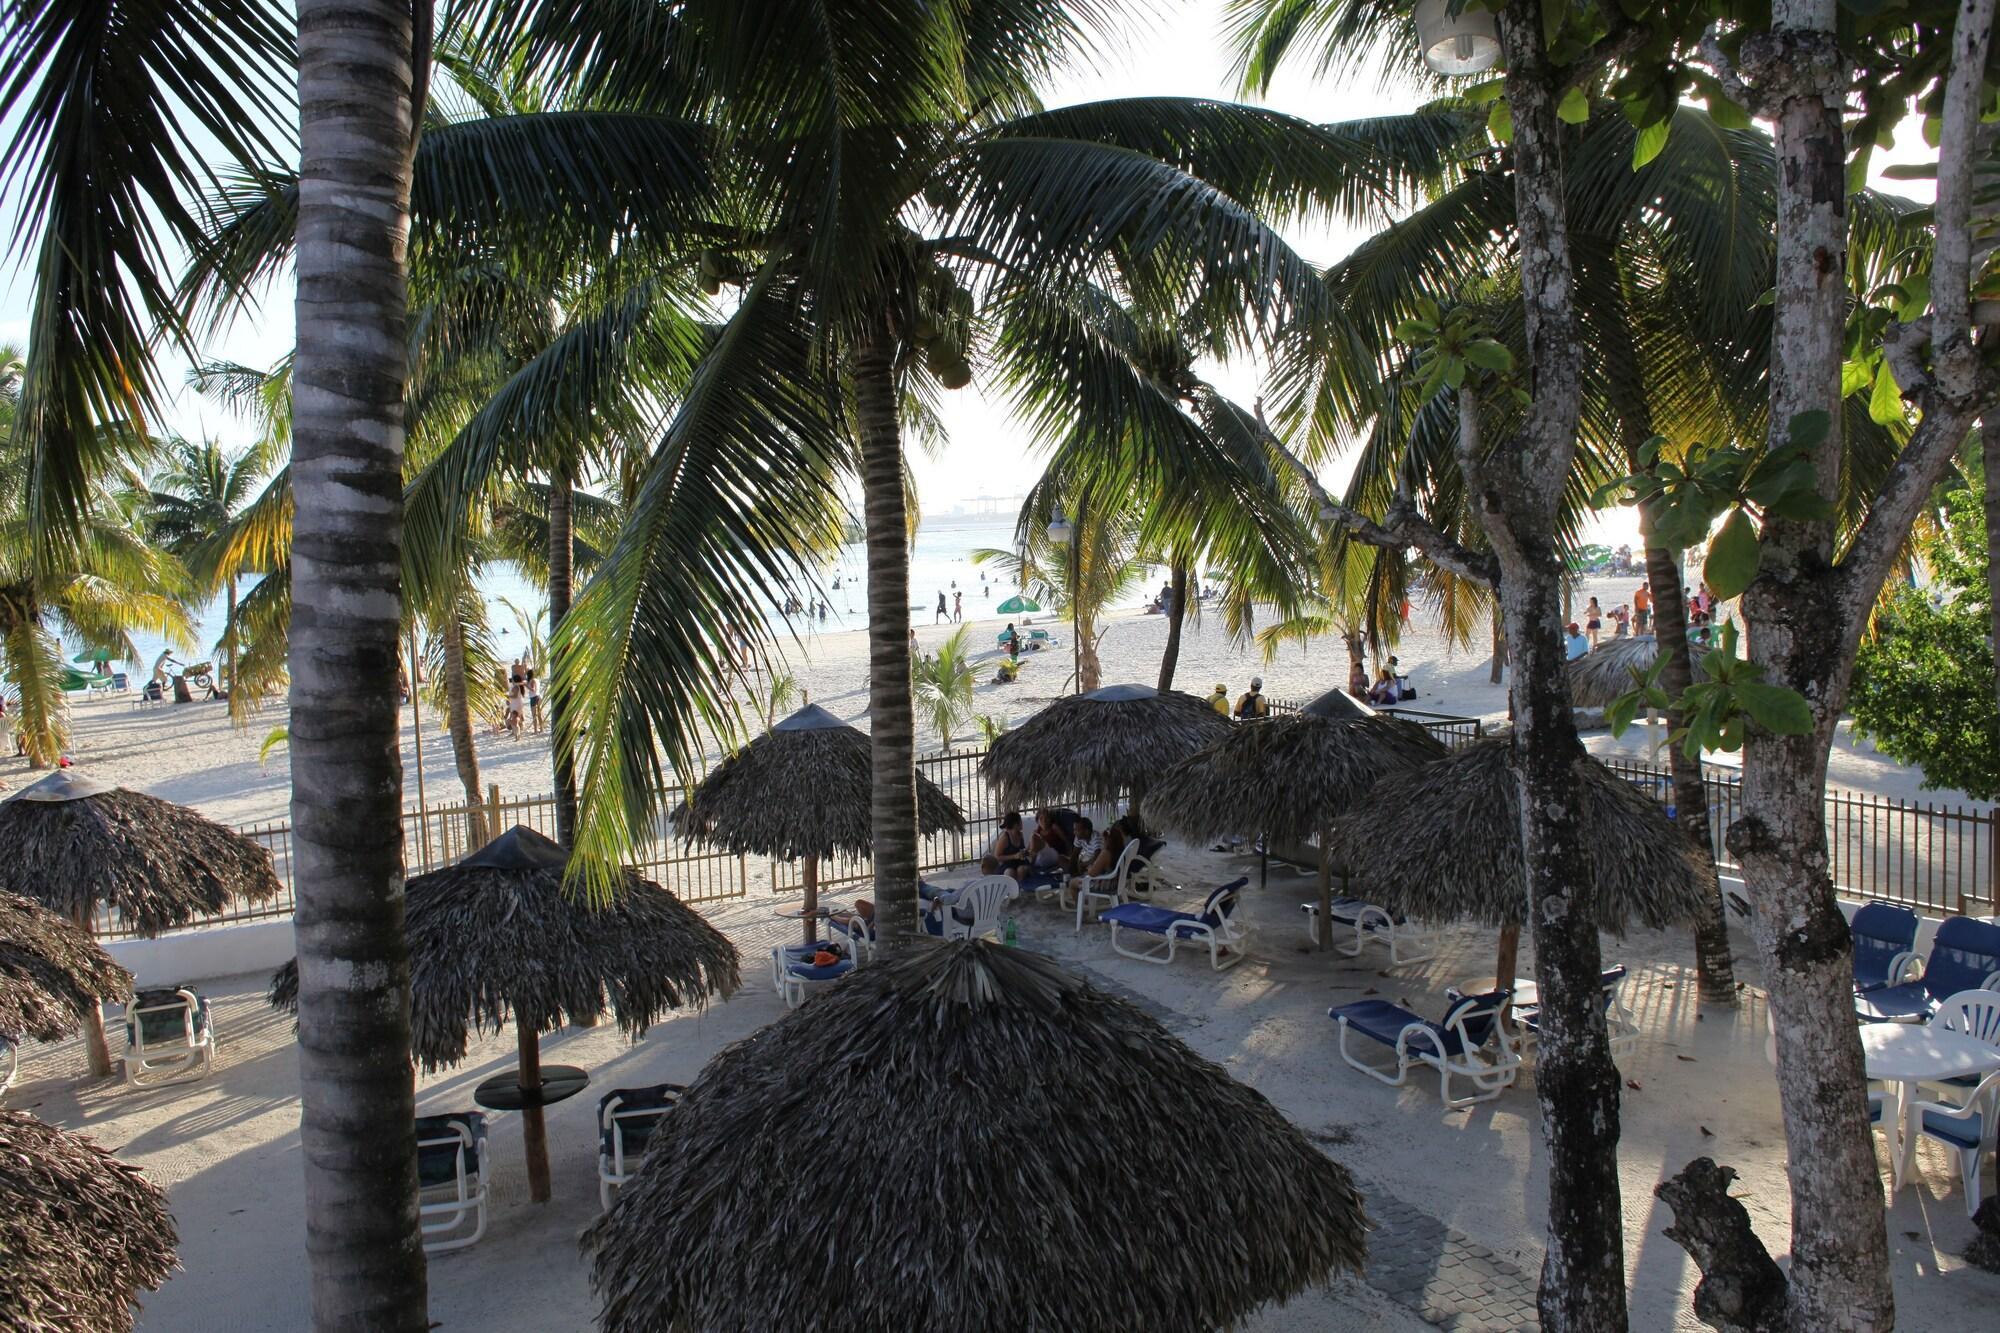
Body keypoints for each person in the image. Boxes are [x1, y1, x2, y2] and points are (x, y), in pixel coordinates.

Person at [526, 665, 544, 732]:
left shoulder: (532, 680)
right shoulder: (537, 680)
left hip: (534, 697)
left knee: (534, 715)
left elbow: (533, 689)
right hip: (539, 696)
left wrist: (526, 686)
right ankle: (541, 729)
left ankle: (535, 730)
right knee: (539, 714)